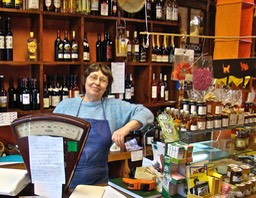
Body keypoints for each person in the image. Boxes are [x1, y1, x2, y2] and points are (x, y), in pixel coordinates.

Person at [53, 63, 154, 187]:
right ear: (85, 79)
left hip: (99, 181)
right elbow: (50, 140)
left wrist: (124, 129)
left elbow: (147, 114)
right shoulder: (65, 106)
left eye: (103, 80)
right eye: (93, 77)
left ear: (107, 86)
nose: (97, 83)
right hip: (66, 180)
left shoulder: (113, 107)